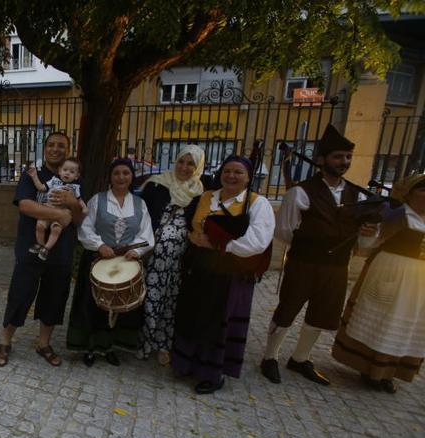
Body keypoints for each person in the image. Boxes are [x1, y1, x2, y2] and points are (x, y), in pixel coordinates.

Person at [260, 124, 378, 386]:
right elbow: (285, 230)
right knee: (288, 310)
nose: (344, 162)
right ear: (322, 159)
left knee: (322, 313)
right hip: (304, 262)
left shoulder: (357, 195)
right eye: (338, 156)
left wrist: (366, 233)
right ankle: (270, 357)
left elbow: (363, 240)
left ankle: (300, 358)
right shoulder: (300, 192)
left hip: (337, 266)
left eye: (348, 157)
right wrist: (316, 243)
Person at [171, 156, 275, 394]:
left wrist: (220, 245)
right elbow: (191, 225)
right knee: (193, 315)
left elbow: (258, 242)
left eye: (238, 172)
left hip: (231, 273)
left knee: (218, 323)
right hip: (200, 268)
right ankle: (185, 363)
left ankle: (211, 373)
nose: (231, 176)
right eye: (227, 170)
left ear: (248, 176)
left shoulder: (258, 204)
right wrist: (192, 237)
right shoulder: (207, 197)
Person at [0, 131, 85, 367]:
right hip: (30, 248)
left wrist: (72, 205)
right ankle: (5, 342)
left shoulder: (74, 179)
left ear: (68, 149)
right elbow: (25, 205)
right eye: (51, 145)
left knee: (54, 298)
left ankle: (43, 344)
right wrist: (59, 214)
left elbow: (79, 220)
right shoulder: (32, 175)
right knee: (20, 294)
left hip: (61, 251)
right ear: (45, 148)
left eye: (61, 146)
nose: (56, 149)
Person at [332, 174, 425, 393]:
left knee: (408, 325)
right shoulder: (398, 214)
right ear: (410, 193)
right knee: (386, 321)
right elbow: (367, 244)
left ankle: (391, 372)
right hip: (391, 271)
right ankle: (372, 370)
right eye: (422, 192)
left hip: (419, 282)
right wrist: (369, 234)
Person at [67, 158, 154, 367]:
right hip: (99, 259)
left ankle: (109, 348)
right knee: (93, 304)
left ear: (132, 176)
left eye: (126, 173)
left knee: (119, 307)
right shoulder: (98, 200)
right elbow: (86, 228)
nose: (121, 177)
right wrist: (99, 245)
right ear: (111, 177)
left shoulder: (140, 204)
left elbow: (146, 234)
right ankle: (90, 347)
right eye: (117, 173)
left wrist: (136, 250)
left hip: (125, 262)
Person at [137, 144, 206, 365]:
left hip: (179, 261)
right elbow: (142, 217)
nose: (184, 167)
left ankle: (163, 345)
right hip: (153, 257)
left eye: (190, 164)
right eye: (181, 162)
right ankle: (144, 343)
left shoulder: (200, 193)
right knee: (149, 299)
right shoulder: (156, 185)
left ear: (198, 167)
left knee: (171, 302)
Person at [27, 158, 87, 261]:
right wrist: (34, 176)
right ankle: (40, 244)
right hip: (48, 208)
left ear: (77, 176)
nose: (67, 173)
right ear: (59, 171)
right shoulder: (54, 181)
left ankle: (46, 248)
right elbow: (41, 188)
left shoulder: (74, 187)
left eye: (72, 172)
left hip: (63, 212)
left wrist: (84, 208)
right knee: (40, 226)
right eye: (65, 170)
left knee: (56, 230)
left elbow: (79, 200)